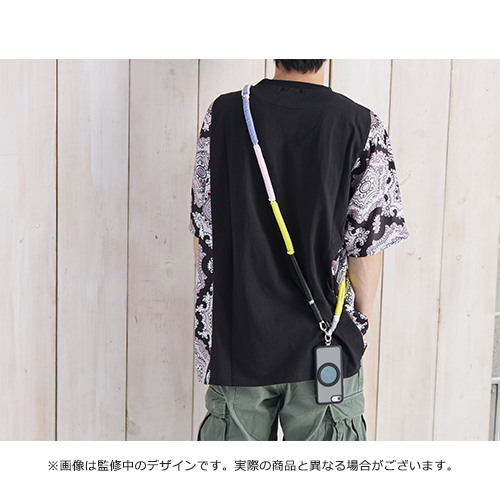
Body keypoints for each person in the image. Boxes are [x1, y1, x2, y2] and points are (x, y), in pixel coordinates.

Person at [189, 59, 409, 441]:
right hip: (324, 343)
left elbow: (204, 230)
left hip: (239, 340)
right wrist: (358, 325)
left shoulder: (223, 115)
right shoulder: (360, 125)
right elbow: (366, 244)